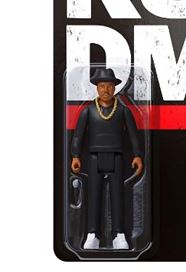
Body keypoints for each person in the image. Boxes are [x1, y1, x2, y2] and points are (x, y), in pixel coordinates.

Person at [71, 67, 143, 250]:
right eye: (102, 86)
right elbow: (78, 135)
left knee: (118, 196)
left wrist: (137, 155)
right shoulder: (88, 111)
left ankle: (119, 234)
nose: (106, 90)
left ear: (114, 88)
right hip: (94, 158)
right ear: (97, 87)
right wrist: (75, 156)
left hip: (117, 158)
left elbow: (133, 135)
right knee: (94, 196)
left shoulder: (123, 111)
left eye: (109, 86)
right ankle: (92, 234)